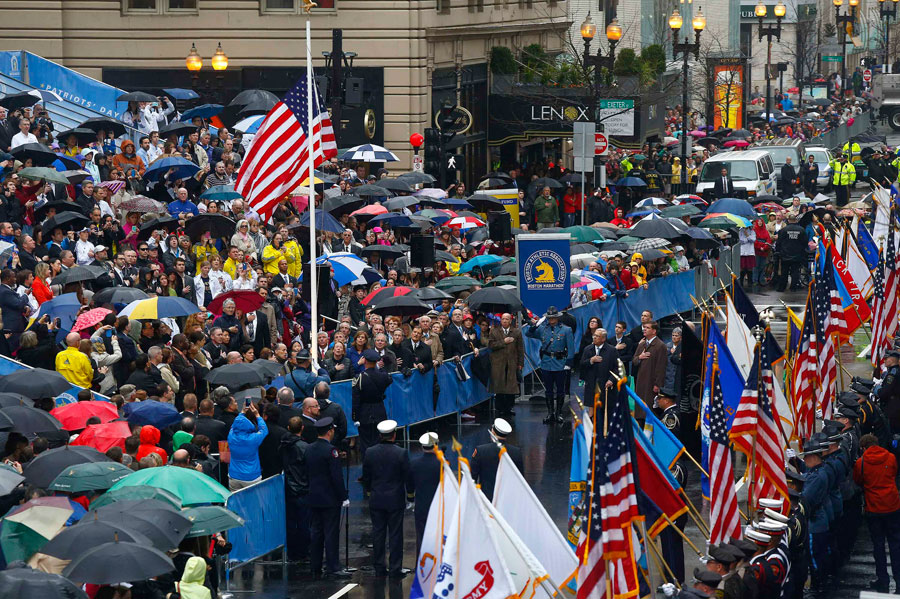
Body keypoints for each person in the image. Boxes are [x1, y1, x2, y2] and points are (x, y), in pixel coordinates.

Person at [361, 419, 411, 578]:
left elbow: (366, 476)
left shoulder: (370, 452)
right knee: (395, 534)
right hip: (395, 500)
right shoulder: (401, 453)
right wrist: (410, 496)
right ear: (394, 435)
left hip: (376, 498)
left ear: (380, 435)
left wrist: (369, 492)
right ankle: (395, 568)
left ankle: (379, 567)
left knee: (378, 533)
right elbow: (407, 476)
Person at [854, 432, 900, 593]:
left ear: (863, 448)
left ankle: (883, 580)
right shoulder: (890, 457)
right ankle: (899, 580)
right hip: (892, 505)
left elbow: (858, 480)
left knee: (878, 546)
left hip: (874, 508)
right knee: (895, 545)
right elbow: (894, 473)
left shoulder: (861, 463)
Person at [306, 416, 351, 580]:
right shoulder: (331, 451)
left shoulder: (309, 449)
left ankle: (315, 565)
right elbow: (336, 477)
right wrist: (343, 496)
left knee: (316, 533)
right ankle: (333, 567)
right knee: (331, 533)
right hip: (329, 499)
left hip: (314, 497)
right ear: (330, 431)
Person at [526, 306, 575, 424]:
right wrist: (535, 325)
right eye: (549, 318)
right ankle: (550, 413)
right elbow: (528, 334)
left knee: (560, 390)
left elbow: (571, 348)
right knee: (548, 390)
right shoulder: (543, 329)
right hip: (546, 362)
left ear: (557, 318)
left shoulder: (566, 330)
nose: (551, 320)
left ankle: (559, 413)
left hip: (560, 362)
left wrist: (568, 363)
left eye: (553, 317)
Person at [470, 418, 524, 501]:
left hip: (486, 499)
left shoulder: (480, 450)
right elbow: (520, 480)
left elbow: (472, 477)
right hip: (508, 499)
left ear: (493, 432)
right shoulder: (516, 452)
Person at [280, 416, 310, 563]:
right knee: (304, 523)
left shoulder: (283, 445)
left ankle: (292, 552)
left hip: (288, 487)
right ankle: (303, 552)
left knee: (291, 522)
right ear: (302, 428)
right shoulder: (304, 447)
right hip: (302, 489)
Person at [352, 349, 393, 456]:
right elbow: (389, 379)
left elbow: (356, 399)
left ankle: (367, 464)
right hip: (380, 411)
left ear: (364, 361)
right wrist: (380, 368)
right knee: (380, 441)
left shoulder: (360, 378)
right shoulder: (383, 376)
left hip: (364, 413)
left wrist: (355, 417)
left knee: (366, 444)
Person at [409, 431, 441, 554]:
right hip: (438, 506)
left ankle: (421, 561)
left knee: (421, 537)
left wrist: (411, 498)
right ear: (436, 445)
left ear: (422, 447)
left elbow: (410, 485)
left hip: (421, 505)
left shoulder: (414, 463)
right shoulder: (442, 464)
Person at [487, 313, 524, 418]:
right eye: (503, 319)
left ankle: (509, 407)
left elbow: (520, 348)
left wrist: (520, 363)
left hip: (512, 362)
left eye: (507, 319)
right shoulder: (494, 331)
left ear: (510, 320)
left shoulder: (516, 332)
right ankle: (500, 408)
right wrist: (503, 341)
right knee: (499, 386)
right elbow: (491, 345)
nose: (504, 321)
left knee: (511, 387)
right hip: (498, 363)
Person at [225, 400, 268, 491]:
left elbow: (235, 425)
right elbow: (264, 430)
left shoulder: (231, 435)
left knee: (236, 499)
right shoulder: (253, 438)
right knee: (253, 499)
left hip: (234, 475)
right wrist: (257, 415)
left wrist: (242, 411)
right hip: (251, 476)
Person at [631, 321, 667, 424]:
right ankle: (640, 424)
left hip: (651, 382)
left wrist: (658, 384)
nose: (644, 329)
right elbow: (634, 360)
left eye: (647, 327)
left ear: (654, 331)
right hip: (640, 380)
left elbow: (661, 367)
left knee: (650, 407)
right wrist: (640, 357)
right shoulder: (642, 344)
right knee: (640, 406)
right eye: (644, 327)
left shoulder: (660, 345)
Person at [578, 328, 618, 407]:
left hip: (606, 384)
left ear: (603, 339)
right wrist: (591, 360)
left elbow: (616, 367)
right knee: (591, 407)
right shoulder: (587, 349)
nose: (594, 337)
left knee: (605, 408)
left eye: (597, 336)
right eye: (594, 335)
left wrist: (611, 379)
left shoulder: (612, 350)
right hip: (591, 384)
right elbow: (582, 364)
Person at [774, 213, 808, 292]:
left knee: (784, 272)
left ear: (788, 220)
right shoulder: (801, 230)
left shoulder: (783, 230)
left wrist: (778, 251)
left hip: (785, 254)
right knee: (795, 272)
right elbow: (805, 242)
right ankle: (793, 287)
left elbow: (779, 242)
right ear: (795, 220)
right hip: (797, 255)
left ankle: (782, 287)